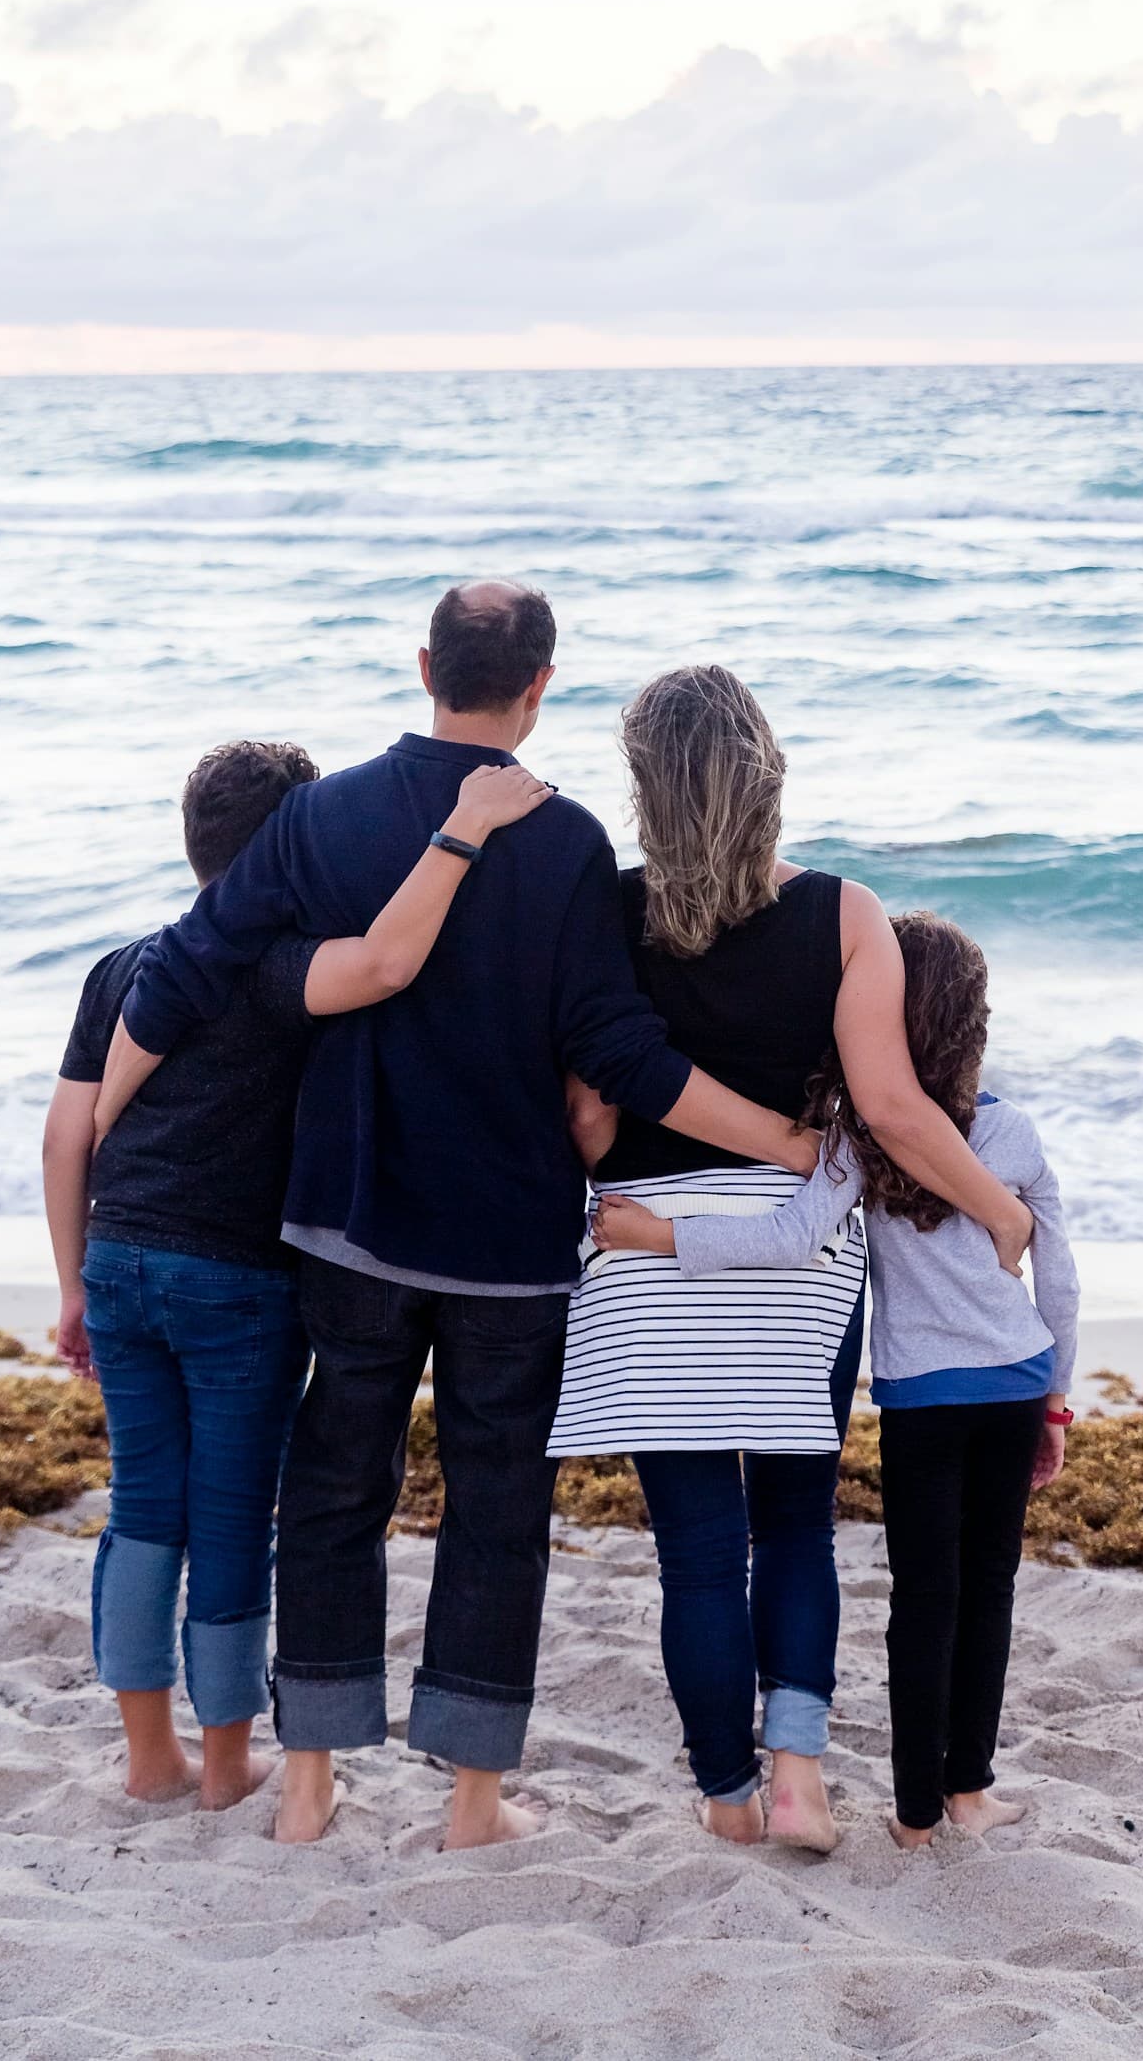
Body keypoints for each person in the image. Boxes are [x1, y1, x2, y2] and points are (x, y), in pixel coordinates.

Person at [94, 584, 817, 1852]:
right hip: (506, 1242)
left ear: (424, 663)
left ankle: (309, 1782)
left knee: (332, 1493)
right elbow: (620, 1051)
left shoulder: (322, 816)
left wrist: (103, 1121)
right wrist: (793, 1146)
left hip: (350, 1222)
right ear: (540, 685)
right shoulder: (568, 842)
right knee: (494, 1511)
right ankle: (473, 1804)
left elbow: (190, 963)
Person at [545, 667, 1037, 1852]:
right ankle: (802, 1775)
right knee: (795, 1528)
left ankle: (726, 1798)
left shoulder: (604, 915)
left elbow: (588, 1127)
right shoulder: (842, 913)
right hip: (796, 1258)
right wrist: (999, 1216)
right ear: (766, 772)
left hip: (646, 1257)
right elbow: (892, 1108)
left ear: (643, 788)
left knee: (699, 1553)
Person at [44, 738, 551, 1809]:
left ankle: (147, 1759)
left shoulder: (124, 964)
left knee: (144, 1508)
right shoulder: (277, 970)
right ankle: (226, 1766)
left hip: (120, 1262)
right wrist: (463, 834)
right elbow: (381, 963)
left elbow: (65, 1138)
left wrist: (72, 1286)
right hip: (234, 1283)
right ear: (294, 845)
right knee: (230, 1519)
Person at [597, 909, 1079, 1849]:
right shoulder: (1011, 1133)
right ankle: (969, 1789)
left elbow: (787, 1237)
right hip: (1017, 1385)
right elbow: (1057, 1276)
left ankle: (910, 1818)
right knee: (991, 1590)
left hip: (921, 1402)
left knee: (924, 1597)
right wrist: (1058, 1394)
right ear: (975, 1025)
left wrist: (658, 1235)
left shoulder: (860, 1137)